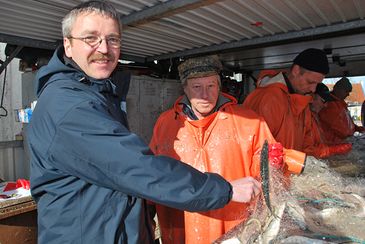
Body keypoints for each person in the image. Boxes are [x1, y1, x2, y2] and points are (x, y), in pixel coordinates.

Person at [26, 1, 262, 243]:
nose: (104, 48)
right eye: (90, 38)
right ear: (68, 44)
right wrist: (226, 190)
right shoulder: (70, 106)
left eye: (113, 39)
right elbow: (138, 168)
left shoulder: (97, 94)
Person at [149, 55, 306, 244]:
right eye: (197, 87)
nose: (204, 95)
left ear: (219, 85)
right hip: (178, 227)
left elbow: (269, 166)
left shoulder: (249, 121)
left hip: (232, 229)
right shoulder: (166, 123)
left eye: (211, 86)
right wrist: (147, 215)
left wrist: (285, 164)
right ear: (185, 88)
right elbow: (153, 172)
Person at [242, 48, 329, 152]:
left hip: (289, 167)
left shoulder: (303, 100)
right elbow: (258, 149)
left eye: (317, 84)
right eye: (310, 82)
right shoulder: (269, 98)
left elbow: (306, 144)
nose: (313, 89)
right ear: (296, 70)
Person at [304, 83, 352, 158]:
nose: (325, 105)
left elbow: (320, 142)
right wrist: (333, 150)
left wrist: (336, 145)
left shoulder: (313, 117)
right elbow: (306, 151)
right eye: (323, 101)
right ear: (311, 97)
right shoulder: (303, 119)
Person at [318, 77, 365, 144]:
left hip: (342, 143)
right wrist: (353, 133)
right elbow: (342, 130)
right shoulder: (330, 104)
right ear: (339, 89)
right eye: (347, 91)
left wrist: (359, 128)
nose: (348, 94)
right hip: (332, 144)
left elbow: (348, 125)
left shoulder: (341, 104)